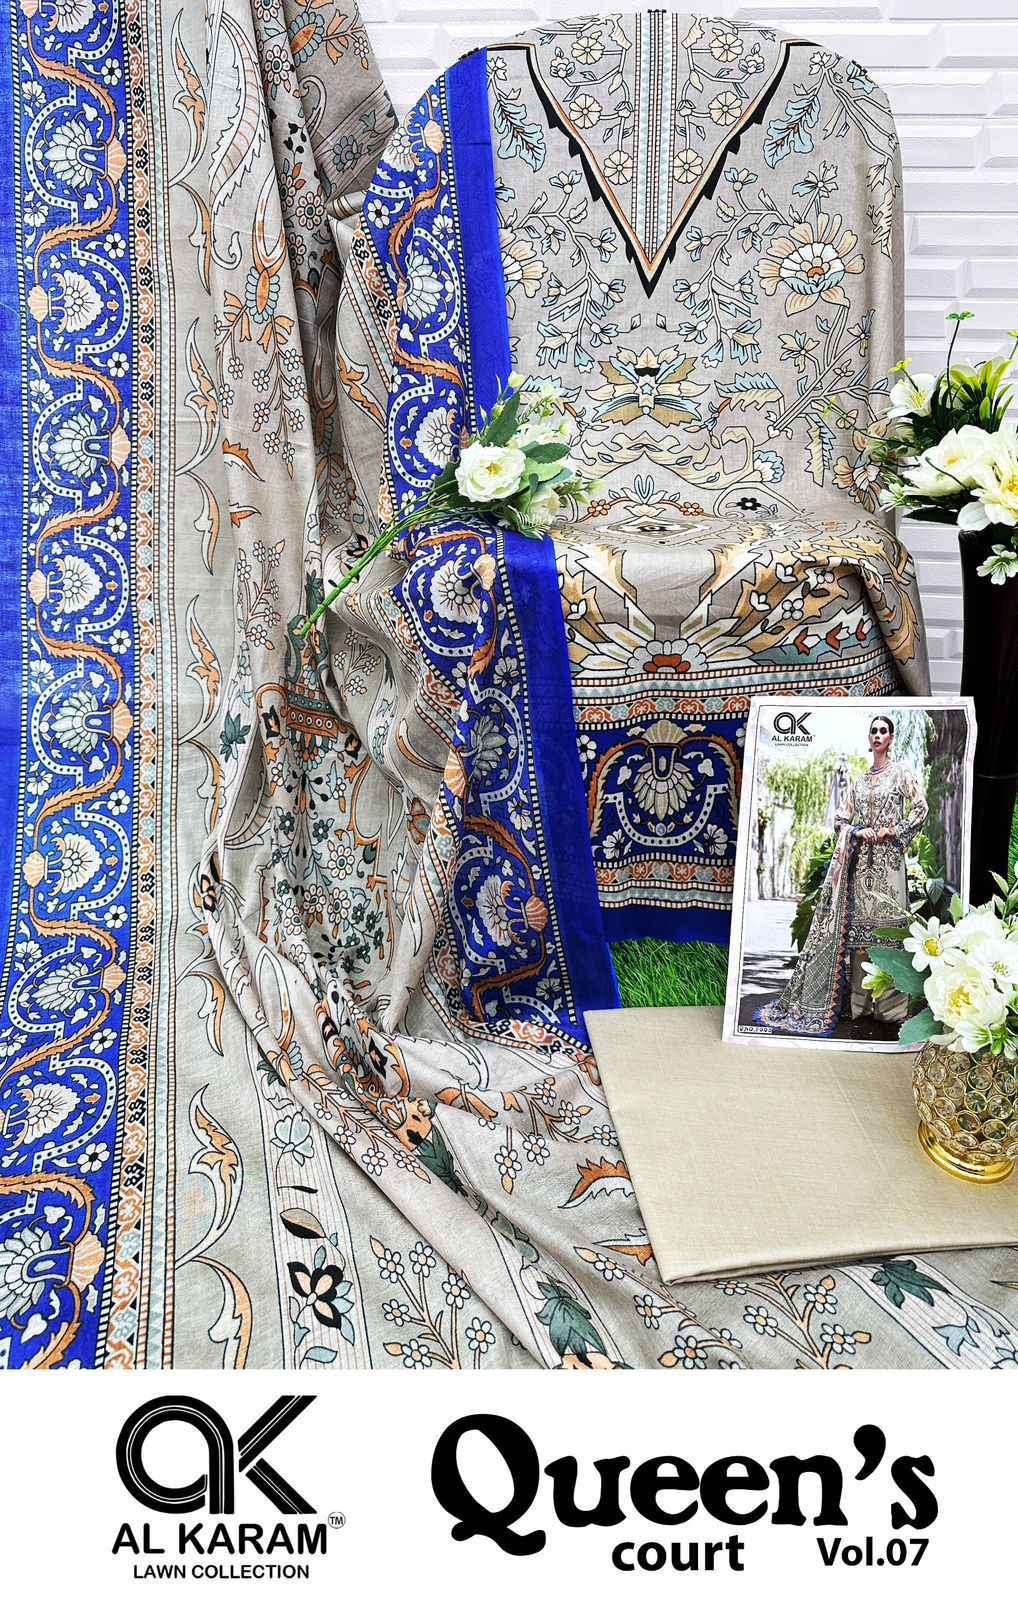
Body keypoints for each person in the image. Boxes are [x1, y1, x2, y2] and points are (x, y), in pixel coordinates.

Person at [758, 715, 928, 1035]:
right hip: (860, 864)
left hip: (889, 865)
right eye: (873, 731)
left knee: (890, 934)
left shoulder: (901, 773)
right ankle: (860, 1006)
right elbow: (840, 819)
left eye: (883, 731)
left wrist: (894, 831)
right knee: (860, 940)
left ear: (891, 738)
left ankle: (891, 1010)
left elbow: (920, 808)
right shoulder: (859, 782)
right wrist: (857, 832)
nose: (877, 735)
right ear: (869, 738)